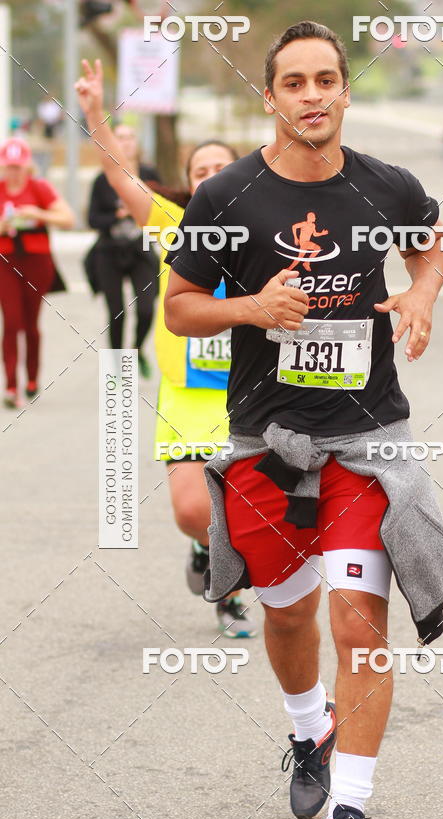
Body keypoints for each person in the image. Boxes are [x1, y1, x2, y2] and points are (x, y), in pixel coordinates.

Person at [164, 20, 443, 819]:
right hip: (265, 442)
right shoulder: (228, 199)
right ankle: (307, 729)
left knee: (358, 621)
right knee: (287, 612)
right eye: (296, 82)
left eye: (328, 79)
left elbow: (434, 241)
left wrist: (420, 295)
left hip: (365, 442)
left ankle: (351, 818)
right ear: (272, 97)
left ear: (345, 91)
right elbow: (180, 306)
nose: (314, 94)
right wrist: (250, 309)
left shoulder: (387, 186)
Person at [75, 58, 256, 639]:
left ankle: (231, 595)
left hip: (255, 394)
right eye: (199, 169)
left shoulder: (269, 229)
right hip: (190, 395)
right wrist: (96, 115)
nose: (208, 175)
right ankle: (207, 551)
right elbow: (122, 177)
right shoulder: (174, 226)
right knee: (190, 510)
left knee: (252, 509)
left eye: (220, 167)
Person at [0, 137, 74, 407]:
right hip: (6, 261)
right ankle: (10, 386)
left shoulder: (39, 188)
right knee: (11, 321)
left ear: (27, 166)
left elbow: (67, 219)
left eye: (18, 166)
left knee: (31, 323)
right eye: (9, 166)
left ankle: (32, 378)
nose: (13, 172)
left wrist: (37, 214)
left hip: (36, 261)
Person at [87, 121, 159, 377]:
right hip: (109, 250)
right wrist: (118, 214)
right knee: (116, 311)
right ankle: (116, 369)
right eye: (120, 138)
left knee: (147, 308)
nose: (125, 142)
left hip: (140, 248)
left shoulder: (149, 174)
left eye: (130, 137)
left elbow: (164, 209)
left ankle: (138, 349)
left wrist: (142, 210)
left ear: (137, 144)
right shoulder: (102, 180)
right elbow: (93, 220)